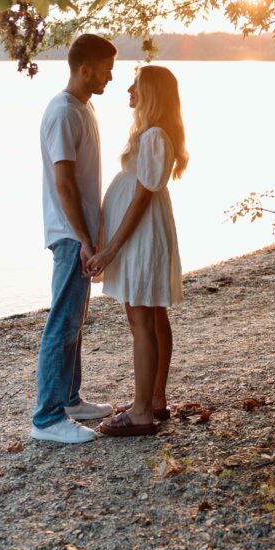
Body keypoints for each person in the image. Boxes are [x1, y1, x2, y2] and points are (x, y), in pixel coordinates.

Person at [88, 65, 188, 436]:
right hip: (145, 231)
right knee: (154, 316)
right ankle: (154, 399)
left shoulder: (155, 136)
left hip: (141, 234)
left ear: (152, 94)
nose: (128, 89)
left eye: (136, 85)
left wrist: (112, 248)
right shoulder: (153, 134)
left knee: (142, 320)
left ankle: (143, 411)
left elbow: (142, 199)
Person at [31, 33, 118, 445]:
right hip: (70, 234)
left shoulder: (85, 108)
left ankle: (70, 399)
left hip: (81, 233)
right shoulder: (63, 112)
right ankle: (47, 418)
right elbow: (65, 185)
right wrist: (84, 239)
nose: (111, 77)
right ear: (86, 69)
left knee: (74, 322)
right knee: (61, 324)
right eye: (106, 70)